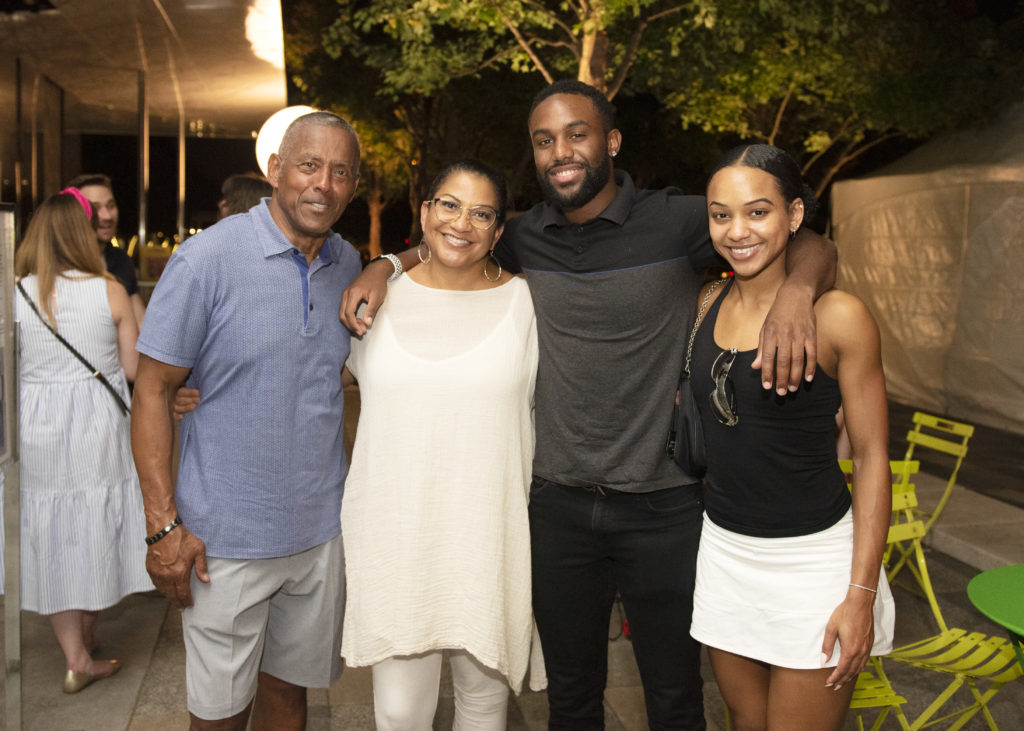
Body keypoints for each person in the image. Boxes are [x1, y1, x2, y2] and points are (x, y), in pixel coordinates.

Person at [340, 79, 837, 729]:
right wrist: (385, 263)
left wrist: (799, 292)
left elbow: (808, 240)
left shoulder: (677, 219)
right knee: (570, 697)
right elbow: (455, 243)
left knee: (674, 693)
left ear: (611, 141)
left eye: (576, 134)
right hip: (556, 507)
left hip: (665, 504)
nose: (560, 152)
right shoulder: (524, 235)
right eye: (544, 141)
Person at [131, 111, 362, 731]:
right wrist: (163, 527)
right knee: (220, 716)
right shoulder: (205, 260)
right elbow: (152, 389)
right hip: (224, 541)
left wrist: (389, 267)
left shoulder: (348, 263)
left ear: (354, 185)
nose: (323, 184)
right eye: (309, 165)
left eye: (341, 172)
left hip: (318, 532)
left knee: (290, 698)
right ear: (275, 170)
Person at [688, 144, 894, 730]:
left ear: (795, 216)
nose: (737, 231)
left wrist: (861, 595)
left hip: (815, 564)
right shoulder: (706, 303)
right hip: (725, 554)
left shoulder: (839, 316)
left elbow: (874, 457)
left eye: (758, 212)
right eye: (721, 215)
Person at [341, 159, 543, 728]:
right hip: (398, 540)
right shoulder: (371, 301)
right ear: (426, 213)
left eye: (482, 214)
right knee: (400, 712)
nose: (463, 223)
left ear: (498, 232)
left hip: (489, 539)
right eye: (450, 205)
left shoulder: (526, 306)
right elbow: (307, 378)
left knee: (485, 707)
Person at [15, 189, 153, 693]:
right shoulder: (110, 290)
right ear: (80, 234)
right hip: (96, 421)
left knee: (51, 528)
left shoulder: (16, 292)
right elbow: (138, 368)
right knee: (94, 522)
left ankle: (75, 650)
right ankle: (82, 647)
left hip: (37, 425)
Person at [66, 173, 147, 328]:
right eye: (95, 208)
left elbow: (140, 321)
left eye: (111, 206)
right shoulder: (64, 262)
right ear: (74, 214)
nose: (107, 216)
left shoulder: (120, 260)